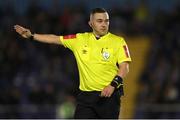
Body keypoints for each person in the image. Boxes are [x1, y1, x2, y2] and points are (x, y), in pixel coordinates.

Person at [14, 8, 131, 119]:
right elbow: (55, 39)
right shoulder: (79, 39)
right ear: (91, 23)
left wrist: (112, 85)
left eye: (106, 21)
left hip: (109, 96)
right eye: (99, 21)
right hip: (86, 97)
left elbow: (124, 68)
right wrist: (32, 36)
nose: (104, 24)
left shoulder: (118, 41)